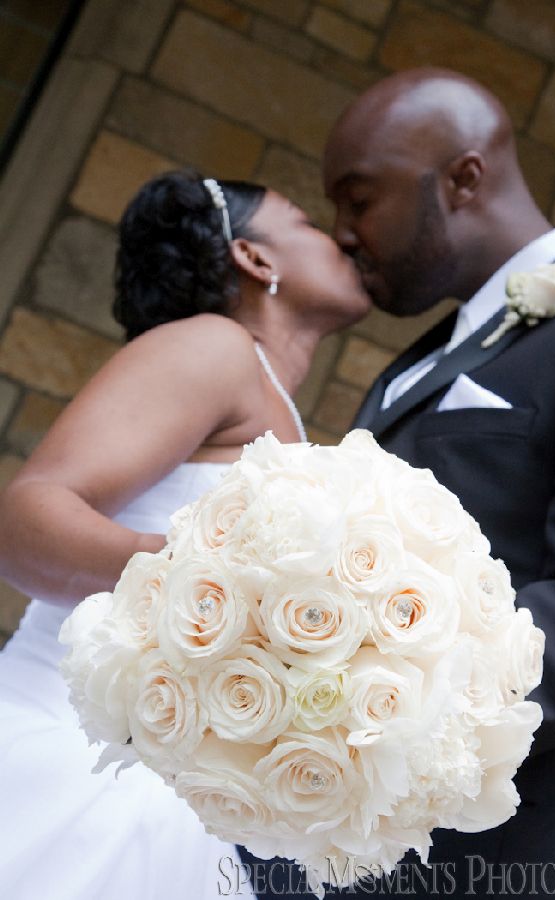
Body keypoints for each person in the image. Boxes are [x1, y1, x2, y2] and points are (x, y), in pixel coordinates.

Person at [319, 68, 555, 898]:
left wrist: (386, 691)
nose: (341, 231)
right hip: (376, 847)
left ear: (464, 178)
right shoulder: (429, 354)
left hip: (516, 852)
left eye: (357, 198)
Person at [0, 170, 370, 900]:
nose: (342, 238)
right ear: (255, 259)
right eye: (307, 221)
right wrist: (215, 585)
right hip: (72, 762)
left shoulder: (272, 401)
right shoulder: (215, 347)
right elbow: (28, 517)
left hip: (170, 794)